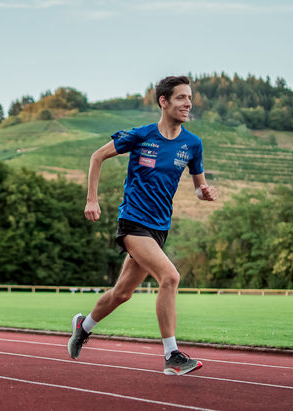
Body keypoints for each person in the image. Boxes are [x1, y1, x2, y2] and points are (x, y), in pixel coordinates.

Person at [67, 75, 218, 375]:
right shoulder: (141, 135)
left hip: (159, 228)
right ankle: (172, 355)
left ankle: (83, 327)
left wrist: (205, 192)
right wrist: (91, 200)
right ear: (163, 101)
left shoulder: (193, 144)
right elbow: (97, 156)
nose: (188, 103)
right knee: (170, 277)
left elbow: (199, 187)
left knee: (122, 293)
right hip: (133, 221)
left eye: (190, 98)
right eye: (180, 98)